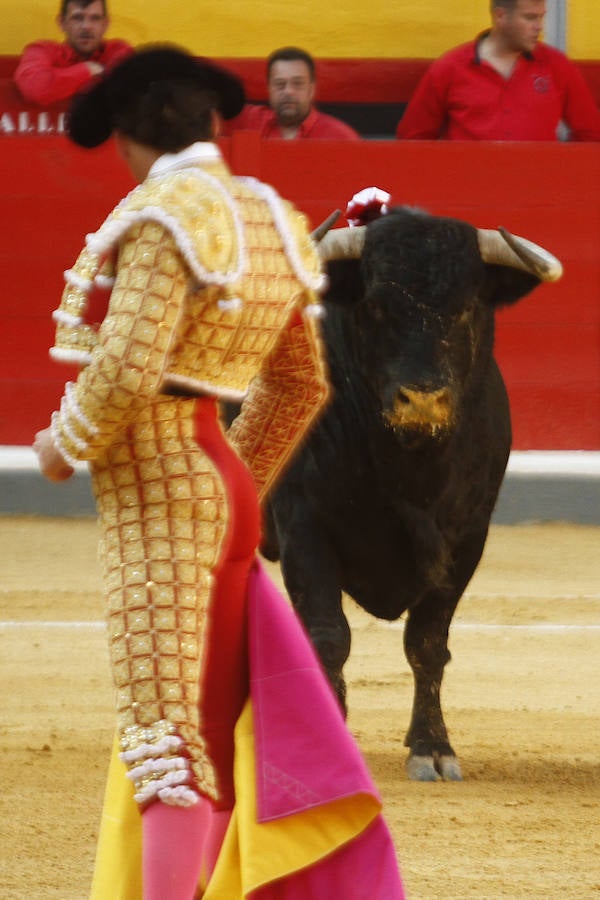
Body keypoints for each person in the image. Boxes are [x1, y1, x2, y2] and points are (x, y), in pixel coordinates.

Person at [33, 45, 404, 900]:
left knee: (165, 742)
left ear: (134, 133)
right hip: (220, 489)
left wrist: (62, 444)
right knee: (203, 730)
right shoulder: (267, 215)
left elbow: (126, 369)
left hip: (162, 497)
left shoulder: (163, 217)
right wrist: (231, 479)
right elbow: (299, 381)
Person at [396, 0, 600, 141]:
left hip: (537, 192)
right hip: (467, 192)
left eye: (541, 17)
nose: (539, 27)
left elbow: (591, 135)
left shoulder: (557, 66)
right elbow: (413, 138)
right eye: (530, 18)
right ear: (501, 16)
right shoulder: (450, 68)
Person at [225, 46, 360, 140]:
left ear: (311, 89)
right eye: (280, 84)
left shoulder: (339, 137)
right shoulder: (248, 122)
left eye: (298, 83)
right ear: (269, 88)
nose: (288, 91)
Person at [14, 0, 131, 106]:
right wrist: (88, 70)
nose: (86, 27)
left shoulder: (117, 50)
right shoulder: (41, 51)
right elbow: (36, 89)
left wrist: (59, 82)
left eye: (95, 18)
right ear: (62, 23)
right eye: (77, 18)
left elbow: (125, 88)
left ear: (105, 24)